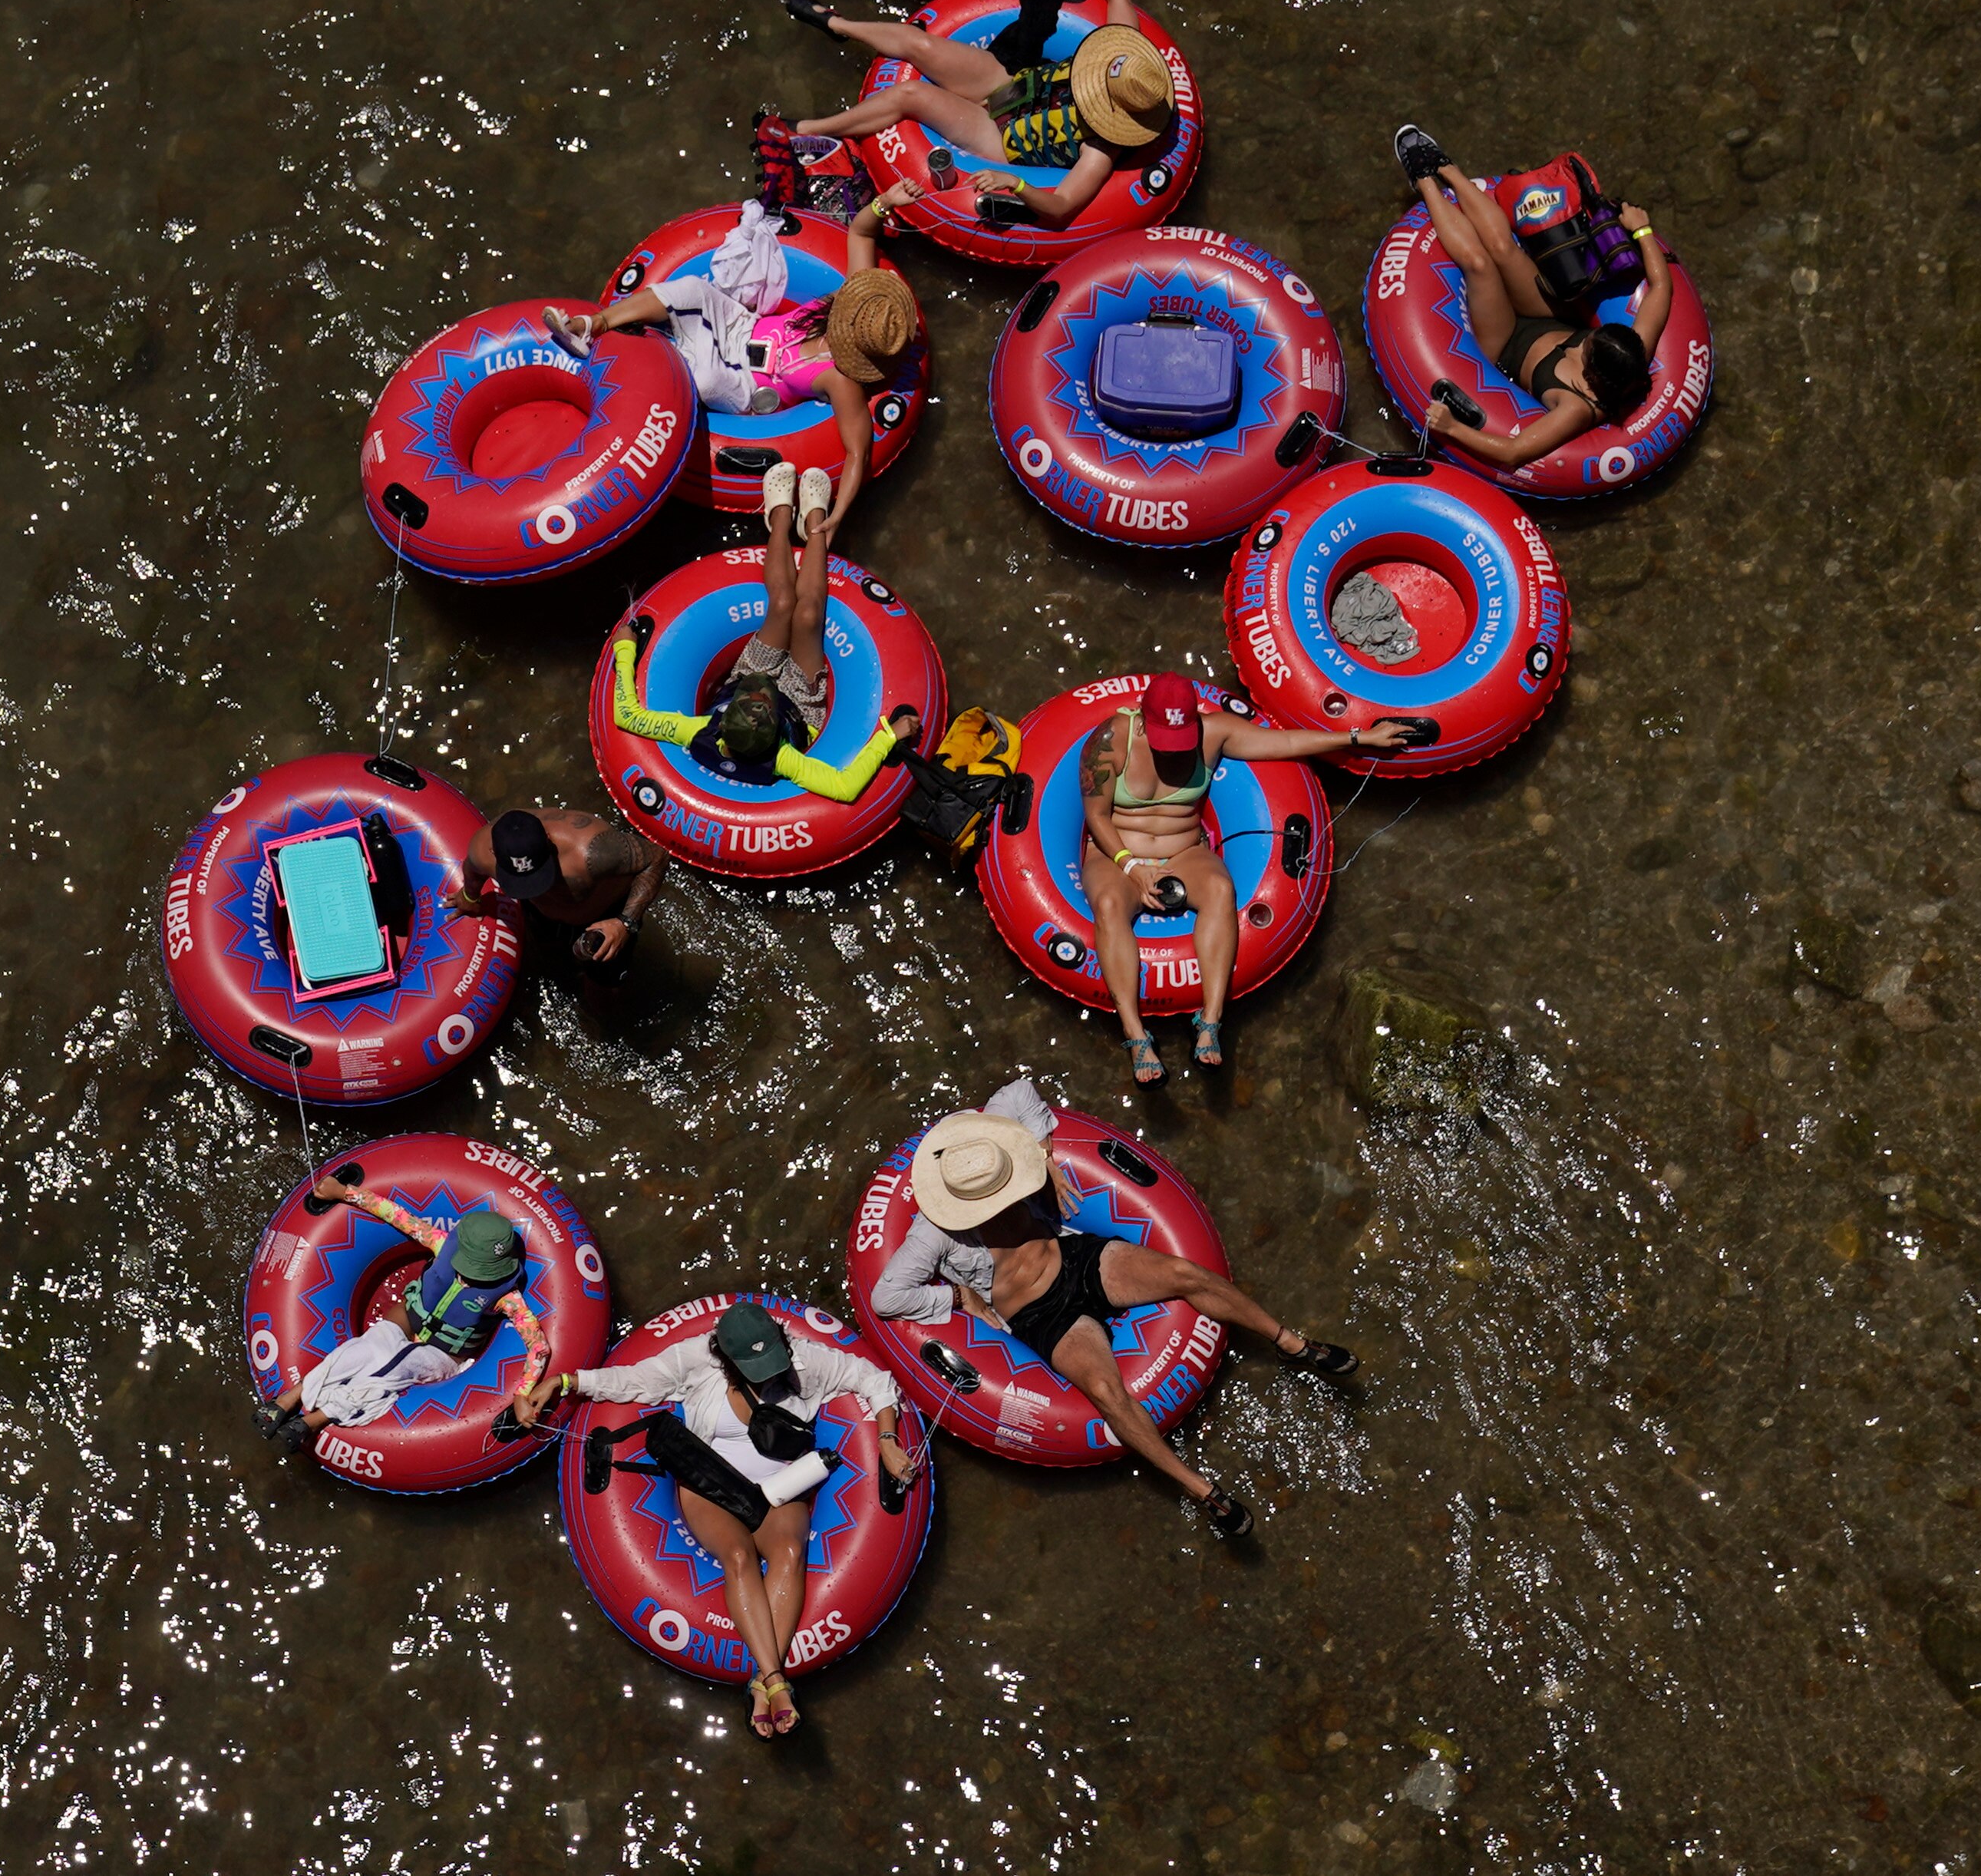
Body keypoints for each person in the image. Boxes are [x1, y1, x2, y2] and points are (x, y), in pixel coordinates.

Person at [871, 1078, 1355, 1537]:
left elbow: (1017, 1091)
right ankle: (1201, 1489)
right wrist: (957, 1296)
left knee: (1185, 1275)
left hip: (1075, 1258)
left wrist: (1043, 1153)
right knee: (1105, 1390)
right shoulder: (932, 1233)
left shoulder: (995, 1154)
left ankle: (1291, 1343)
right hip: (1040, 1316)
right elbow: (886, 1297)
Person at [519, 1300, 916, 1739]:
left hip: (781, 1488)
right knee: (738, 1555)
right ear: (726, 1361)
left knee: (789, 1549)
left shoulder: (808, 1363)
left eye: (774, 1361)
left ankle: (763, 1685)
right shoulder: (696, 1362)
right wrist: (565, 1380)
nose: (769, 1375)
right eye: (756, 1368)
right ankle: (776, 1680)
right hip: (710, 1484)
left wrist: (885, 1439)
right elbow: (634, 1381)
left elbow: (876, 1379)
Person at [1082, 673, 1425, 1084]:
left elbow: (1285, 743)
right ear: (1143, 718)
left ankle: (1209, 1021)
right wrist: (1131, 867)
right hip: (1117, 853)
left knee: (1220, 888)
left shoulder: (1213, 733)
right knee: (1109, 905)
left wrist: (1358, 738)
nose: (1173, 750)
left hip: (1183, 851)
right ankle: (1136, 1035)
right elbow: (1096, 816)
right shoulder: (1109, 742)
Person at [542, 180, 926, 525]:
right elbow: (860, 233)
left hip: (746, 386)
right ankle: (591, 326)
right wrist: (887, 201)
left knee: (707, 381)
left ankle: (638, 377)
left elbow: (857, 451)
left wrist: (837, 514)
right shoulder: (852, 297)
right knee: (691, 287)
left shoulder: (841, 379)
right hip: (743, 326)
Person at [775, 0, 1174, 233]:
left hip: (1001, 136)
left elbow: (1063, 207)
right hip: (1012, 86)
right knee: (923, 45)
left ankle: (814, 128)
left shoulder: (1102, 151)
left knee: (910, 95)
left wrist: (1015, 183)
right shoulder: (1124, 55)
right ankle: (839, 26)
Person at [608, 493, 924, 804]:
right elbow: (845, 787)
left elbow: (627, 716)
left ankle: (780, 515)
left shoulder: (699, 729)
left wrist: (625, 650)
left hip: (747, 674)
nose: (763, 691)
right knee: (808, 614)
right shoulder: (782, 758)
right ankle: (816, 521)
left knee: (784, 605)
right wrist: (888, 737)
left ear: (724, 719)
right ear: (773, 733)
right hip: (800, 708)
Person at [1394, 127, 1668, 471]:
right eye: (1594, 335)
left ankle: (1424, 182)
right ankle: (1447, 169)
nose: (1581, 343)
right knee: (1503, 250)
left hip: (1506, 345)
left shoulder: (1576, 408)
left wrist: (1452, 428)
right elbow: (1660, 287)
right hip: (1547, 317)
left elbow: (1514, 453)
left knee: (1480, 266)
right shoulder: (1633, 352)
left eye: (1587, 347)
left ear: (1593, 374)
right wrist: (1642, 231)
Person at [256, 1163, 555, 1445]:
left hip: (445, 1353)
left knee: (394, 1369)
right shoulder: (440, 1243)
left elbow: (539, 1346)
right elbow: (395, 1214)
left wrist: (522, 1392)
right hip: (410, 1318)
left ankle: (316, 1419)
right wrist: (344, 1192)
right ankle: (290, 1399)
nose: (470, 1275)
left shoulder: (507, 1298)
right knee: (363, 1350)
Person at [451, 806, 665, 978]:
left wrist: (625, 923)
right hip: (543, 912)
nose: (532, 887)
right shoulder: (482, 849)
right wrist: (470, 896)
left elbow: (658, 857)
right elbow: (473, 871)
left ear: (548, 838)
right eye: (521, 881)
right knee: (548, 964)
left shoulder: (594, 851)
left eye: (539, 873)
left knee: (603, 990)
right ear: (493, 853)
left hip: (605, 918)